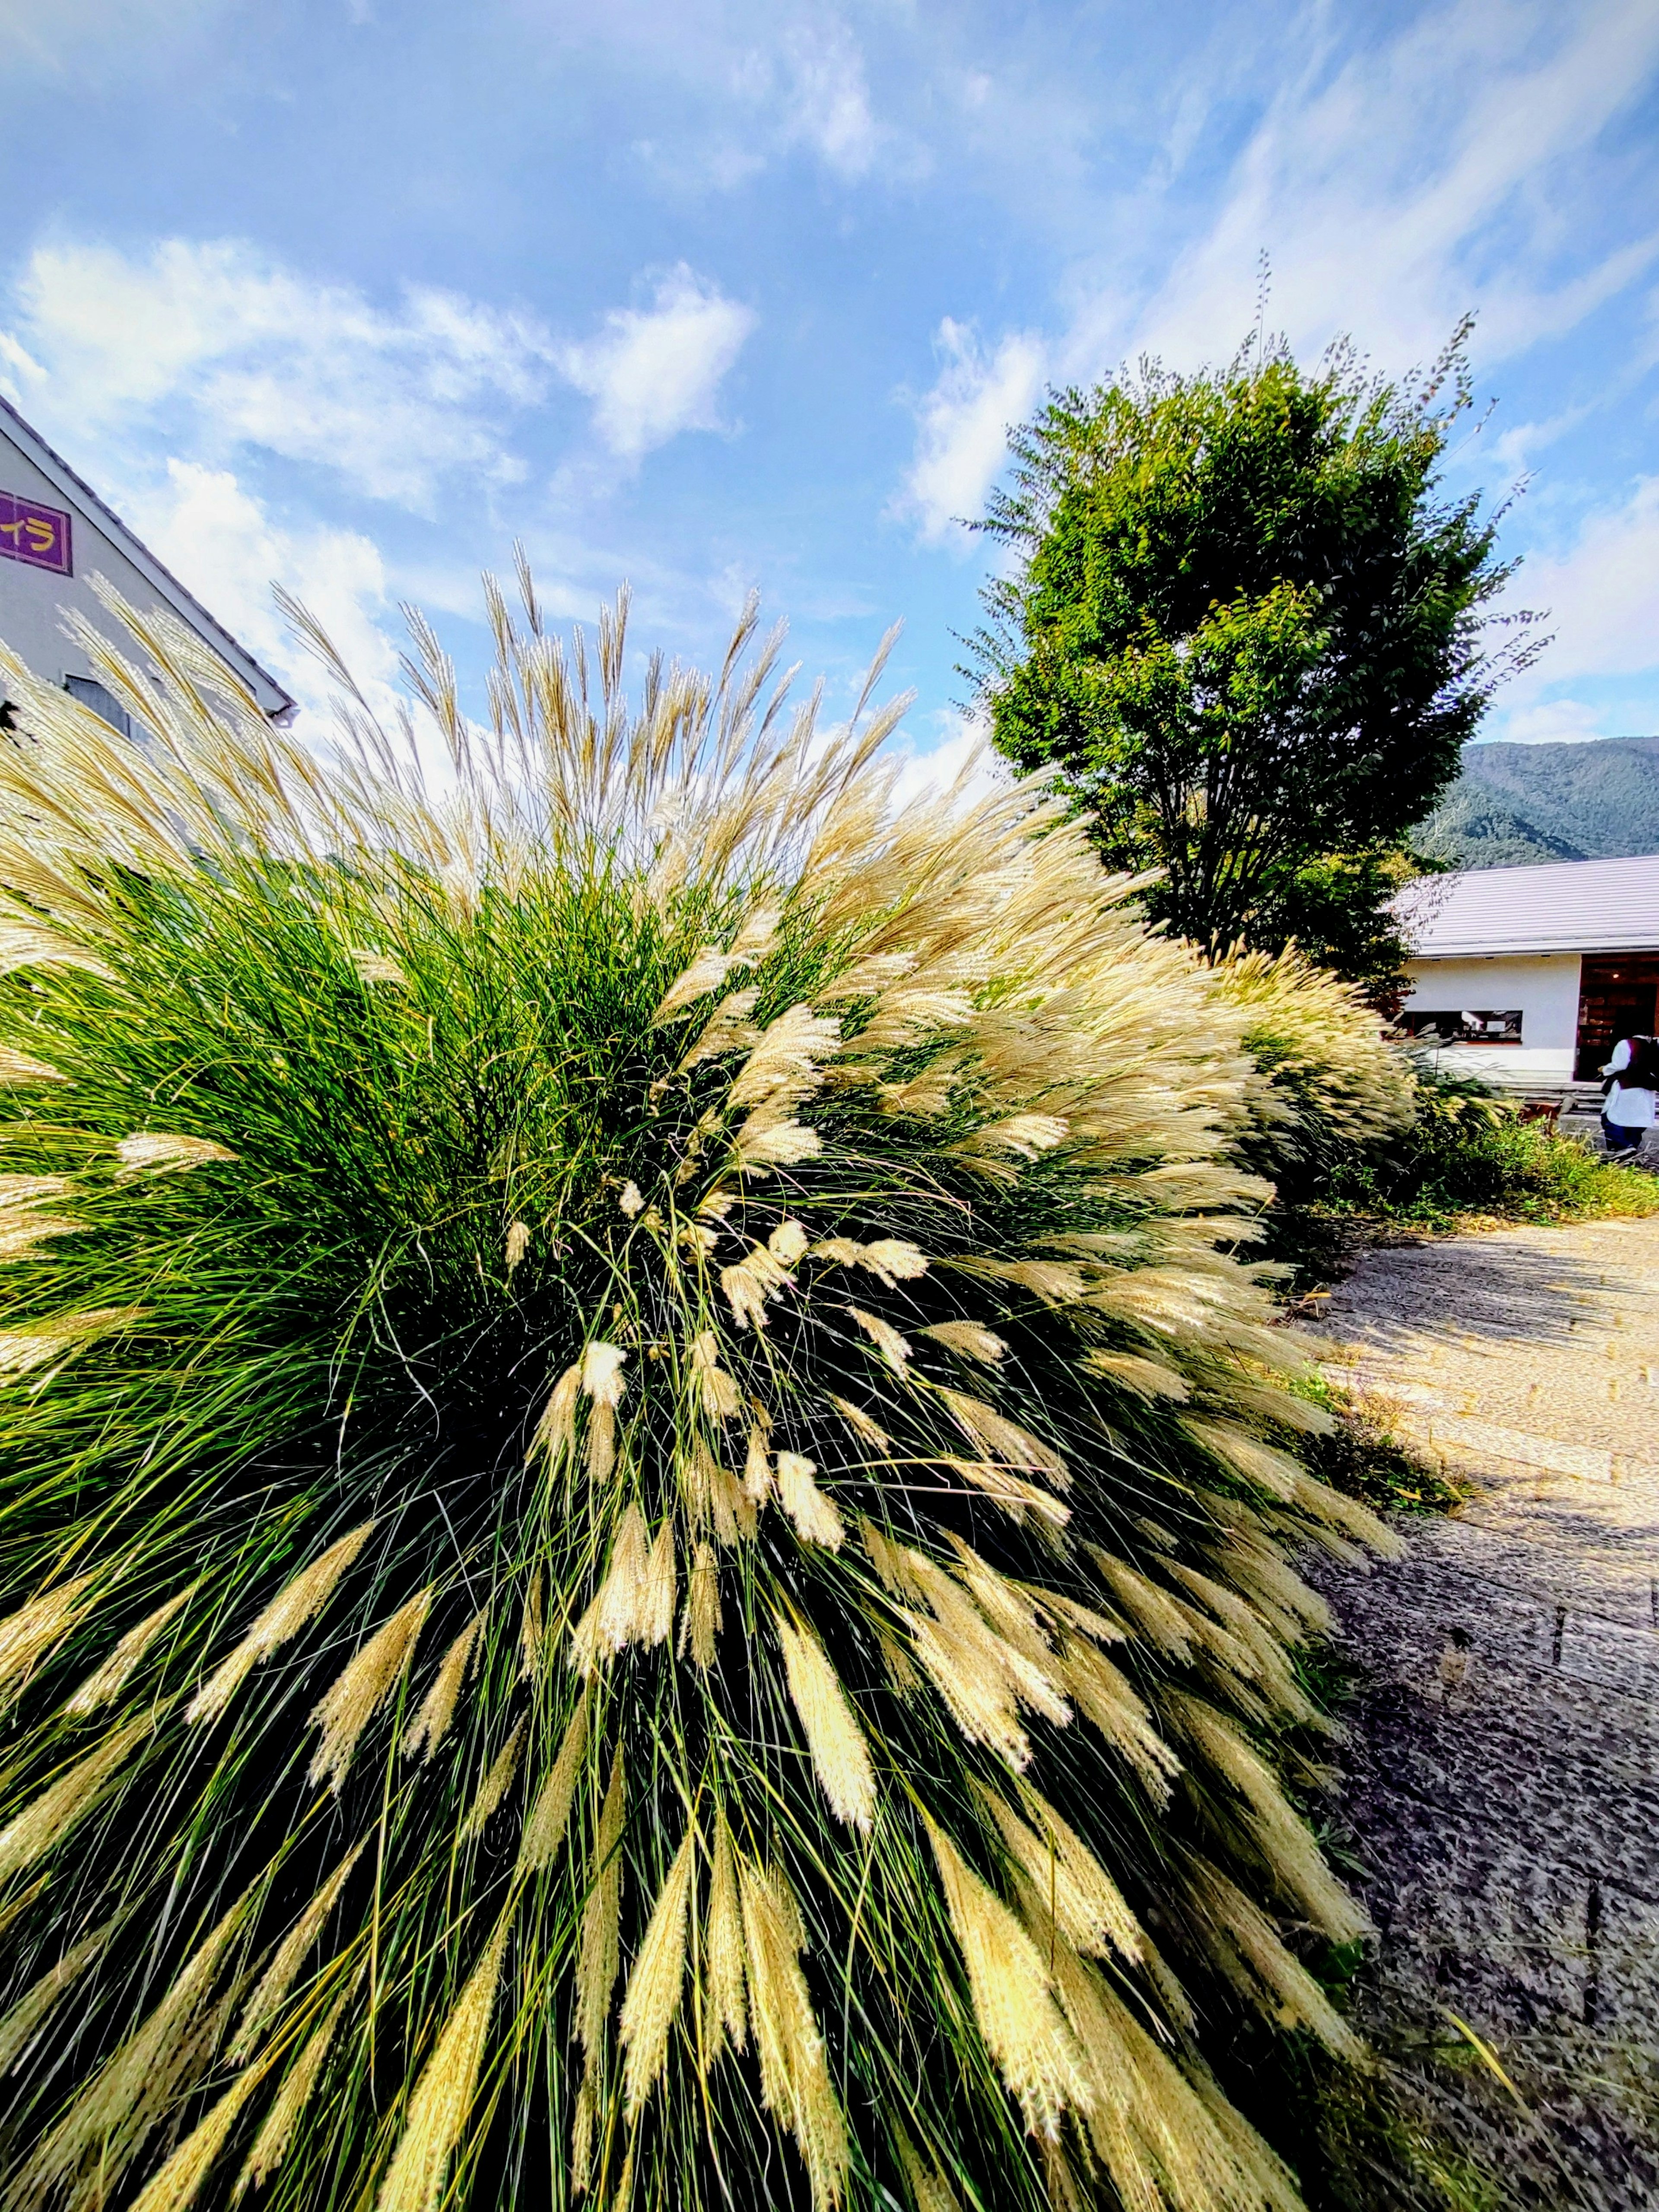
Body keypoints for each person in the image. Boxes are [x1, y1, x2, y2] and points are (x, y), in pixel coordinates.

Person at [1600, 1032, 1659, 1164]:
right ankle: (1631, 1150)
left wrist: (1605, 1069)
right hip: (1647, 1090)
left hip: (1626, 1088)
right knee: (1637, 1121)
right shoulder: (1655, 1045)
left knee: (1611, 1119)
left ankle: (1622, 1148)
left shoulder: (1626, 1044)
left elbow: (1619, 1065)